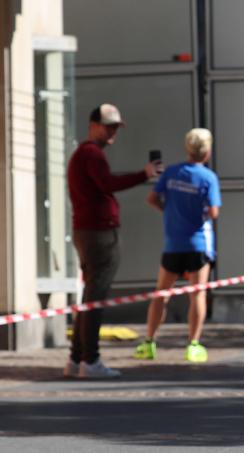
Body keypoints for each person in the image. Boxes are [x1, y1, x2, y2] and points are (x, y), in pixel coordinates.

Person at [64, 104, 160, 379]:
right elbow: (107, 184)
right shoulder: (91, 153)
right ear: (93, 125)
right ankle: (90, 360)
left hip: (89, 230)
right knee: (95, 296)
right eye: (108, 125)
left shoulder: (85, 154)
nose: (112, 131)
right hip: (98, 233)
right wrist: (144, 174)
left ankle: (77, 358)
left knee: (90, 296)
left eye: (116, 126)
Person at [133, 128, 221, 363]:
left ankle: (149, 342)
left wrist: (168, 212)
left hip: (173, 243)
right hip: (199, 244)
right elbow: (213, 212)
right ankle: (193, 344)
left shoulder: (171, 172)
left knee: (161, 294)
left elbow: (152, 198)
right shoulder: (208, 178)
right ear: (207, 151)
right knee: (197, 295)